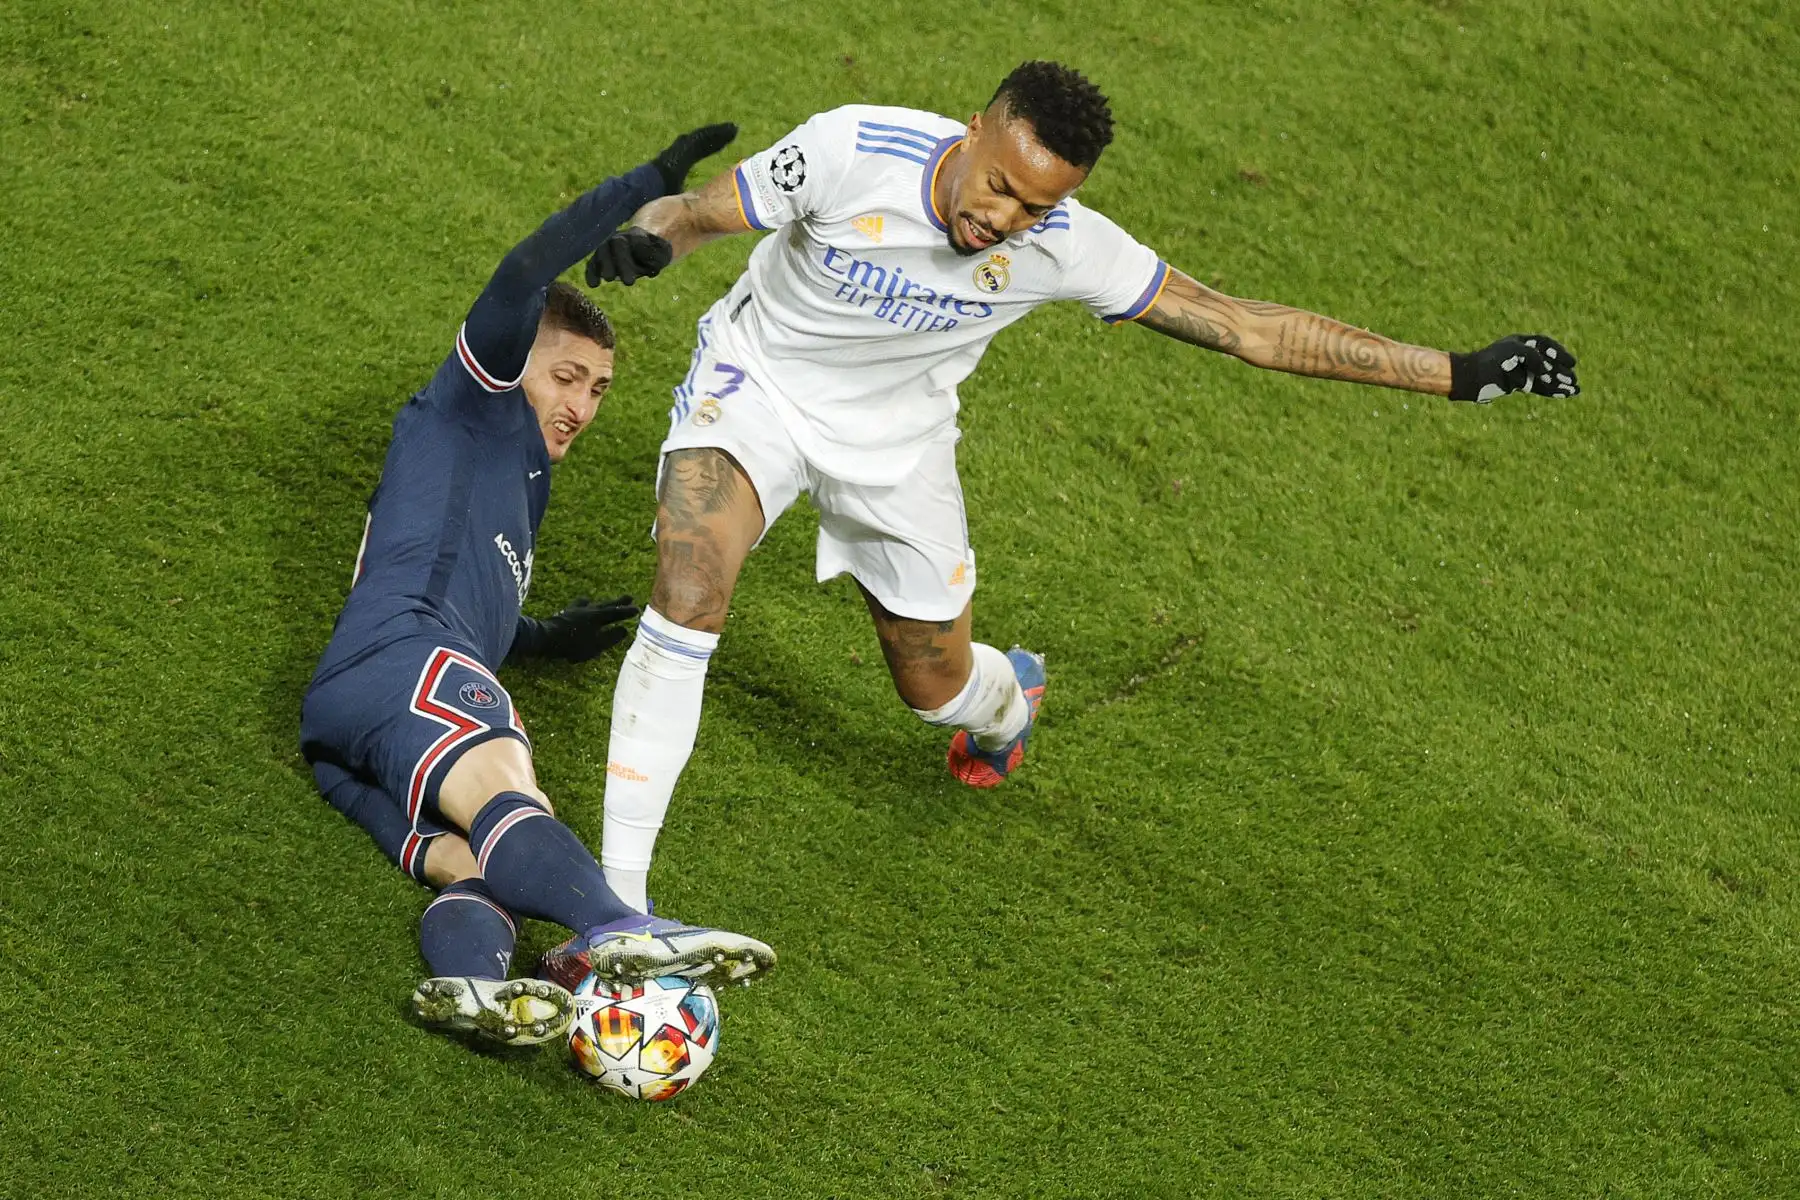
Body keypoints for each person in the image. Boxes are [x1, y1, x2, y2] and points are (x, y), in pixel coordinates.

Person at [576, 61, 1583, 913]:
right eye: (1001, 184)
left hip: (899, 445)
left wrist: (1458, 371)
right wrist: (654, 240)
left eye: (1035, 204)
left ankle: (1008, 701)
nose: (1003, 217)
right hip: (761, 388)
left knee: (934, 689)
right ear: (973, 133)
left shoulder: (1064, 247)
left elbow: (1246, 326)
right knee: (690, 594)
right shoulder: (851, 150)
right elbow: (698, 213)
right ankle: (616, 909)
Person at [300, 124, 774, 1048]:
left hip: (356, 713)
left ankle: (476, 988)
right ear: (519, 365)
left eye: (598, 390)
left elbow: (475, 596)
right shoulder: (476, 402)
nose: (580, 406)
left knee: (471, 856)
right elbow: (522, 275)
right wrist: (643, 186)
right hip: (403, 657)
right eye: (565, 376)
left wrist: (547, 636)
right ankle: (623, 927)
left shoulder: (518, 478)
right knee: (508, 779)